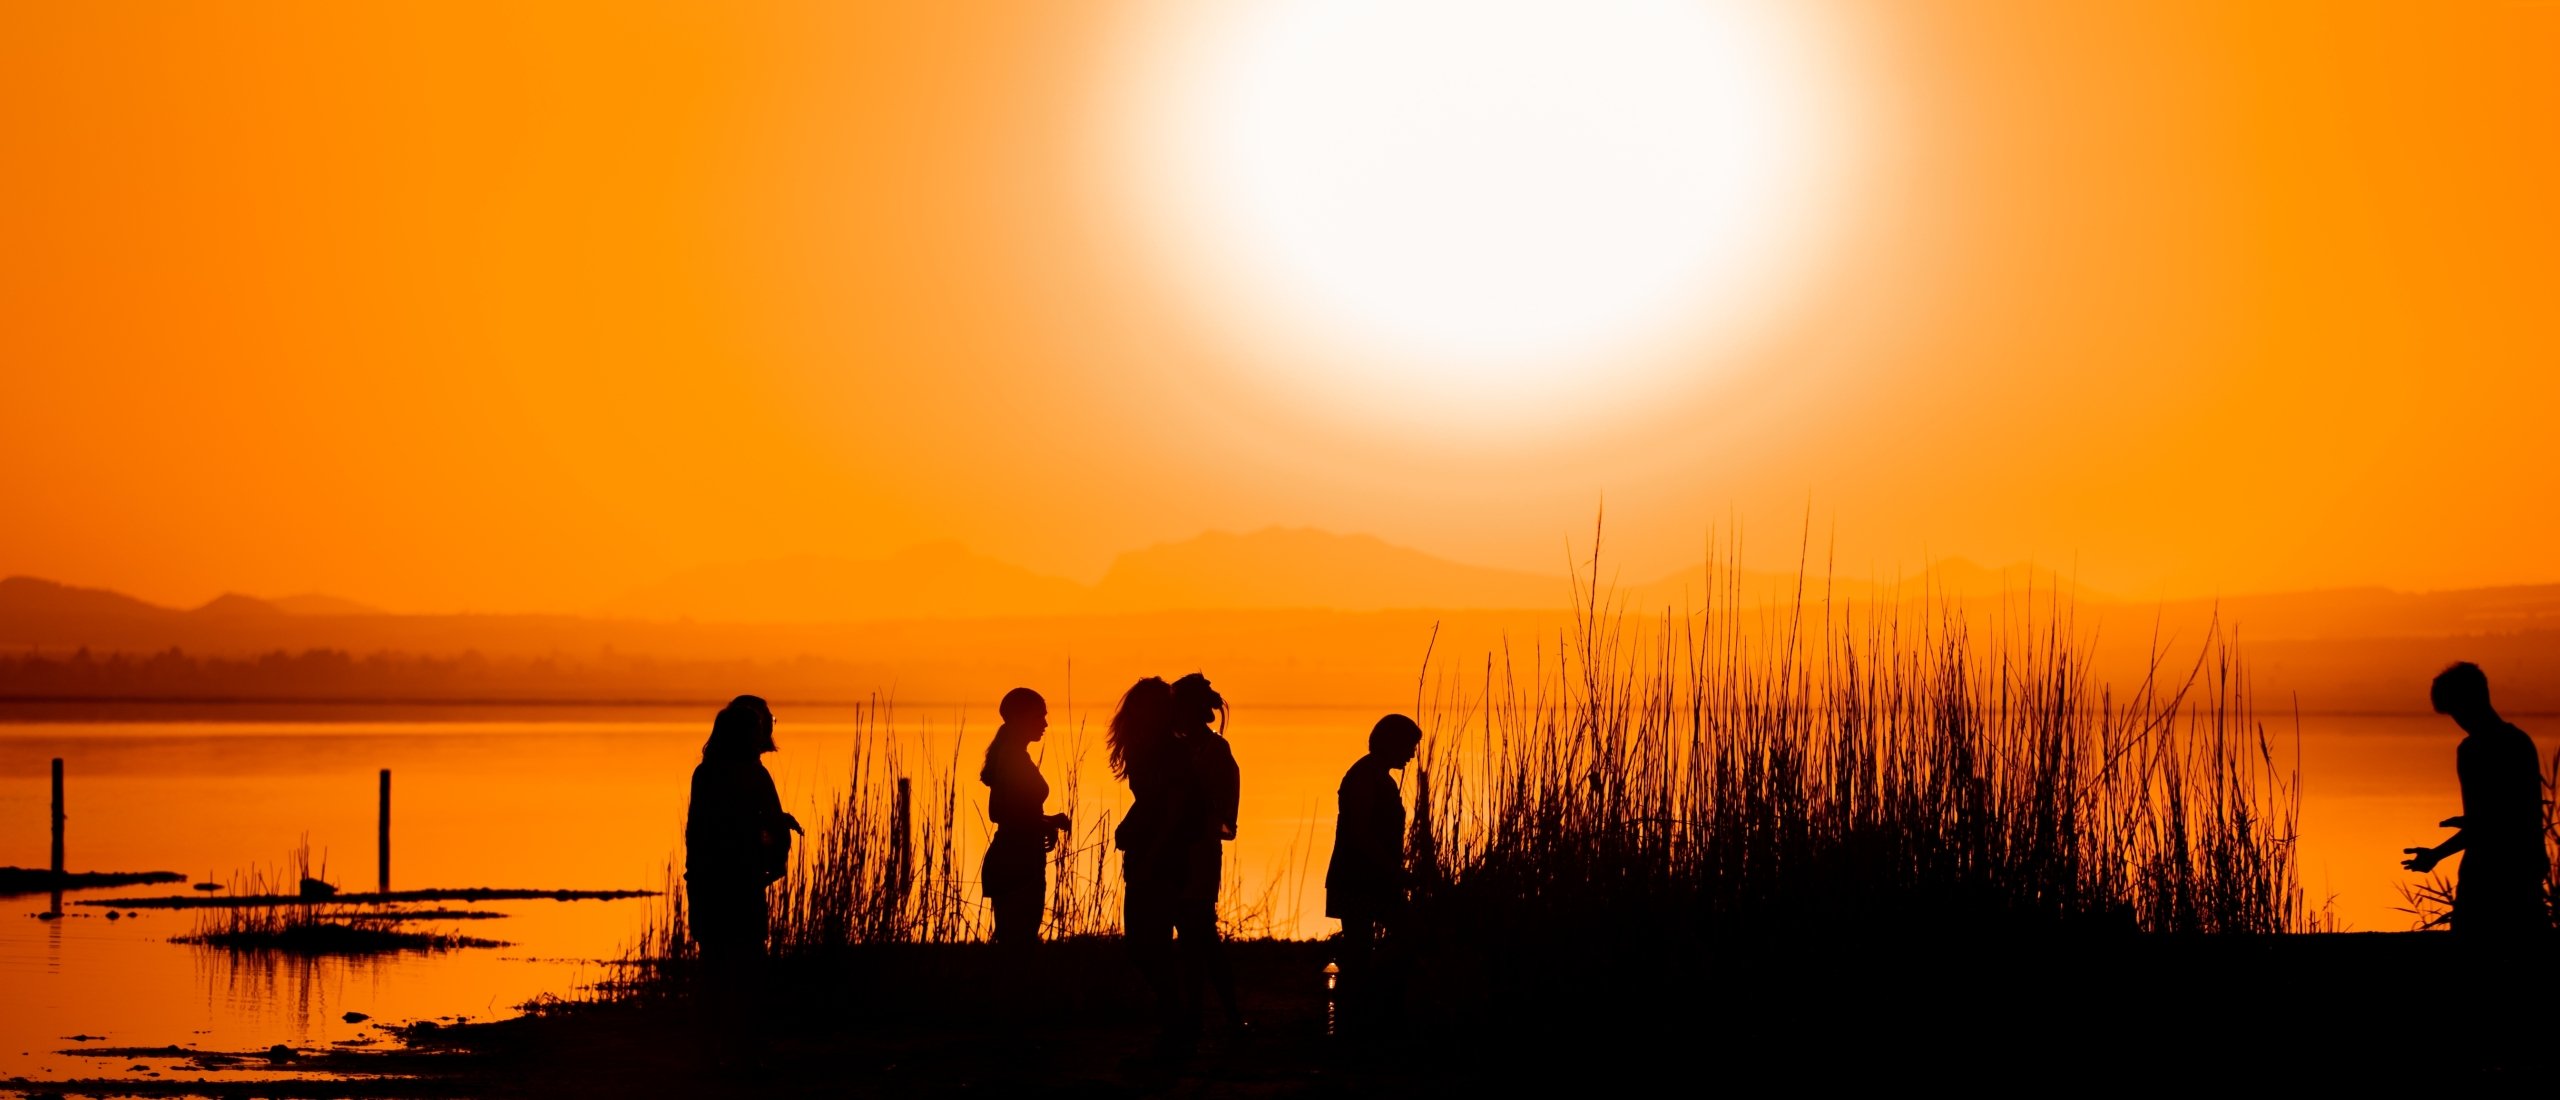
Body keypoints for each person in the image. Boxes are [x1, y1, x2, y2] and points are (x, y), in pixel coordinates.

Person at [2402, 662, 2551, 935]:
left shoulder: (2473, 750)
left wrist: (2436, 854)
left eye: (2456, 711)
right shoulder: (2520, 742)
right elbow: (2512, 814)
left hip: (2487, 871)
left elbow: (2484, 825)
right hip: (2526, 862)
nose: (2458, 720)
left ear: (2468, 702)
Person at [684, 694, 803, 960]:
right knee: (746, 962)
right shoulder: (753, 774)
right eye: (763, 724)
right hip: (740, 886)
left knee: (715, 962)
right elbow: (763, 824)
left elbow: (698, 834)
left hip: (707, 887)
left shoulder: (704, 774)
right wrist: (772, 858)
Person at [1326, 713, 1420, 1038]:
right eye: (1408, 745)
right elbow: (1359, 833)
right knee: (1366, 948)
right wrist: (1393, 871)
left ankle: (1363, 1018)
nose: (1411, 753)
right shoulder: (1366, 777)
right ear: (1390, 742)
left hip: (1372, 878)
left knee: (1367, 948)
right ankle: (1355, 1022)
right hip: (1359, 879)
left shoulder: (1378, 777)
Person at [1108, 677, 1184, 1048]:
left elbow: (1170, 806)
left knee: (1147, 942)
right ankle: (1175, 1018)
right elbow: (1153, 802)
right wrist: (1131, 823)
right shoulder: (1147, 748)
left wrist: (1152, 850)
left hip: (1162, 855)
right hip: (1149, 851)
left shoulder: (1167, 750)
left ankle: (1177, 1022)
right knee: (1144, 943)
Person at [1167, 673, 1243, 1037]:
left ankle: (1203, 1016)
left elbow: (1214, 809)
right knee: (1199, 934)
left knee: (1198, 933)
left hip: (1197, 851)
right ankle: (1220, 1015)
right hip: (1186, 850)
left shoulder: (1212, 751)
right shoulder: (1182, 748)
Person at [981, 687, 1070, 946]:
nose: (1045, 723)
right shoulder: (1012, 759)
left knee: (1018, 939)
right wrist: (1046, 823)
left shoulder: (1014, 756)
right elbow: (999, 812)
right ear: (1020, 718)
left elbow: (1016, 811)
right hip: (1015, 859)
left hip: (1021, 856)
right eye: (1038, 717)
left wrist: (1048, 821)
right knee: (1018, 942)